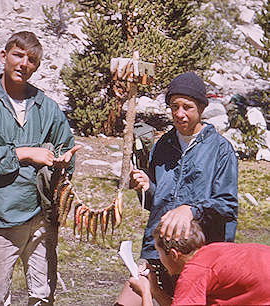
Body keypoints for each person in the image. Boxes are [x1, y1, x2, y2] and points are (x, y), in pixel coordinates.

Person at [0, 31, 80, 305]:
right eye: (18, 55)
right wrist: (24, 153)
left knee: (42, 296)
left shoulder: (46, 106)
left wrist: (63, 163)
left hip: (42, 217)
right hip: (0, 218)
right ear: (4, 56)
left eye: (32, 60)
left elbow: (66, 150)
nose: (24, 64)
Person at [116, 72, 238, 305]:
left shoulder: (220, 150)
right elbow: (155, 204)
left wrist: (191, 210)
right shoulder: (163, 145)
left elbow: (228, 206)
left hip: (200, 255)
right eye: (174, 106)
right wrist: (146, 187)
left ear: (201, 108)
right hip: (158, 250)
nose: (179, 114)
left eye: (187, 107)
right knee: (126, 300)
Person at [128, 220, 270, 306]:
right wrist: (155, 291)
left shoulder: (194, 272)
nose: (159, 259)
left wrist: (145, 292)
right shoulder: (213, 250)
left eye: (158, 252)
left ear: (173, 254)